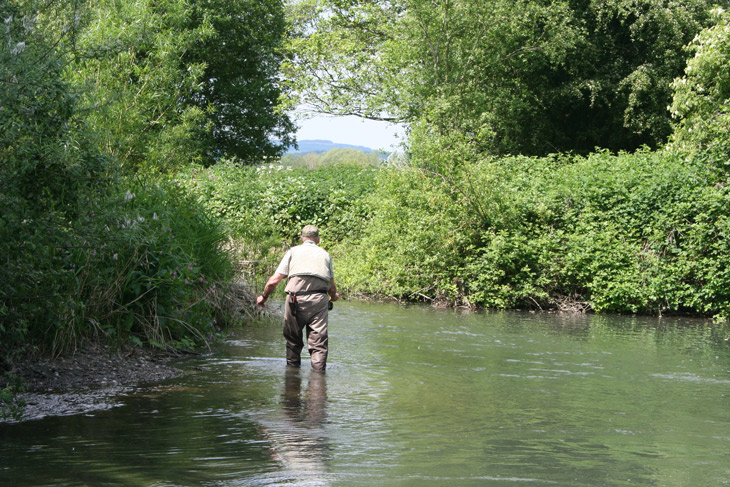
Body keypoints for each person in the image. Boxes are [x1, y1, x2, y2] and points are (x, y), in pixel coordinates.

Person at [257, 225, 339, 370]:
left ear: (302, 239)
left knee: (293, 340)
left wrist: (263, 297)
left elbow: (273, 281)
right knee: (318, 343)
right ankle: (318, 384)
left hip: (295, 299)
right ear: (318, 240)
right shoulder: (325, 254)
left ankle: (292, 379)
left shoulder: (293, 252)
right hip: (319, 300)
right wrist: (333, 296)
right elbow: (332, 288)